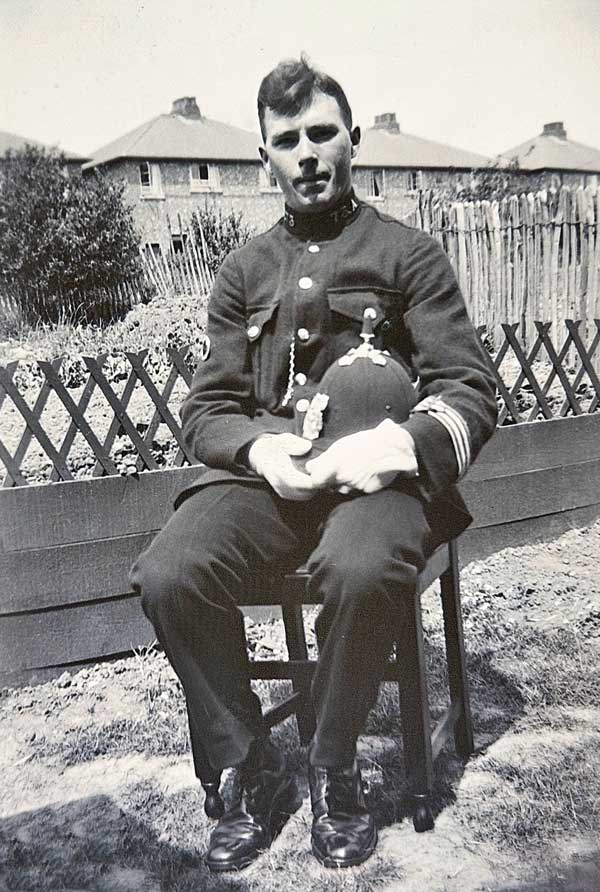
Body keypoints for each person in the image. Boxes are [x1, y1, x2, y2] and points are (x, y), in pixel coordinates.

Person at [130, 56, 498, 872]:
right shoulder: (244, 271)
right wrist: (262, 449)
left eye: (322, 133)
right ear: (265, 158)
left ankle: (334, 772)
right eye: (286, 139)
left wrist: (397, 445)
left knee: (365, 568)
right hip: (273, 482)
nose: (307, 153)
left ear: (354, 142)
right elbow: (207, 411)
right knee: (171, 570)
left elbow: (470, 389)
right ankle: (250, 762)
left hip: (379, 480)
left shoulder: (410, 256)